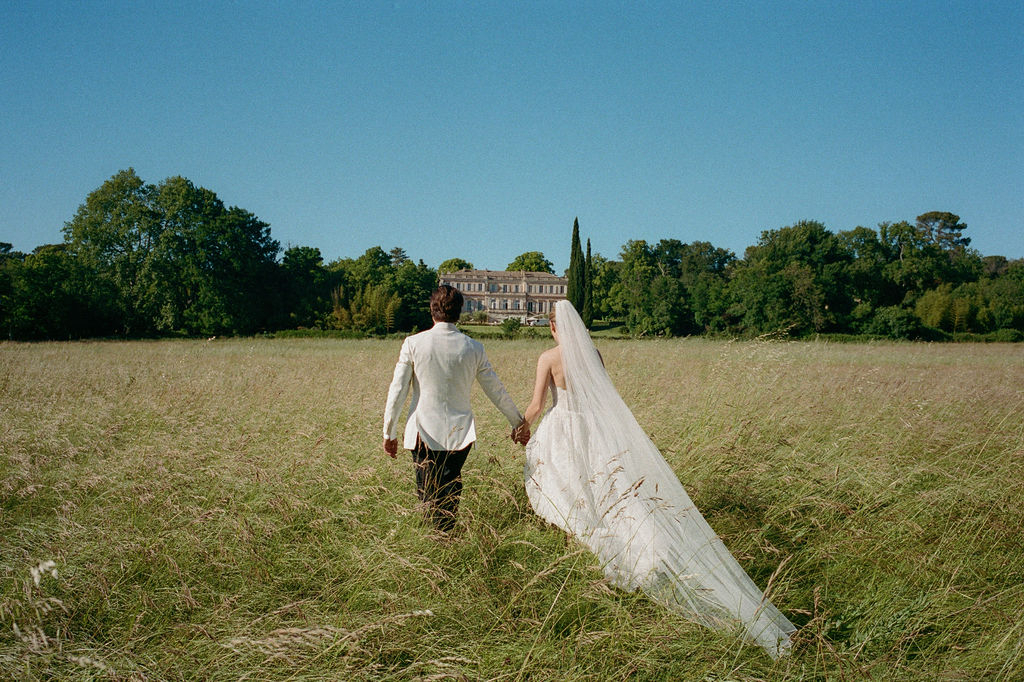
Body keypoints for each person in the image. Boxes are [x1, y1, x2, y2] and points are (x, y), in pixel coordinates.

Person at [519, 300, 796, 658]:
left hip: (563, 432)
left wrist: (521, 426)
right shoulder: (594, 355)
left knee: (571, 495)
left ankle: (586, 551)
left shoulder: (548, 358)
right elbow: (603, 400)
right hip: (595, 432)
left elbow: (537, 405)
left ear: (554, 327)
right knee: (606, 494)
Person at [383, 285, 530, 533]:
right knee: (450, 489)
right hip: (460, 433)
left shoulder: (413, 343)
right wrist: (518, 422)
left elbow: (397, 391)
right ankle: (446, 536)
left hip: (422, 432)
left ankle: (435, 539)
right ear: (459, 312)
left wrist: (389, 432)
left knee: (427, 491)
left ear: (432, 310)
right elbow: (496, 390)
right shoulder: (473, 347)